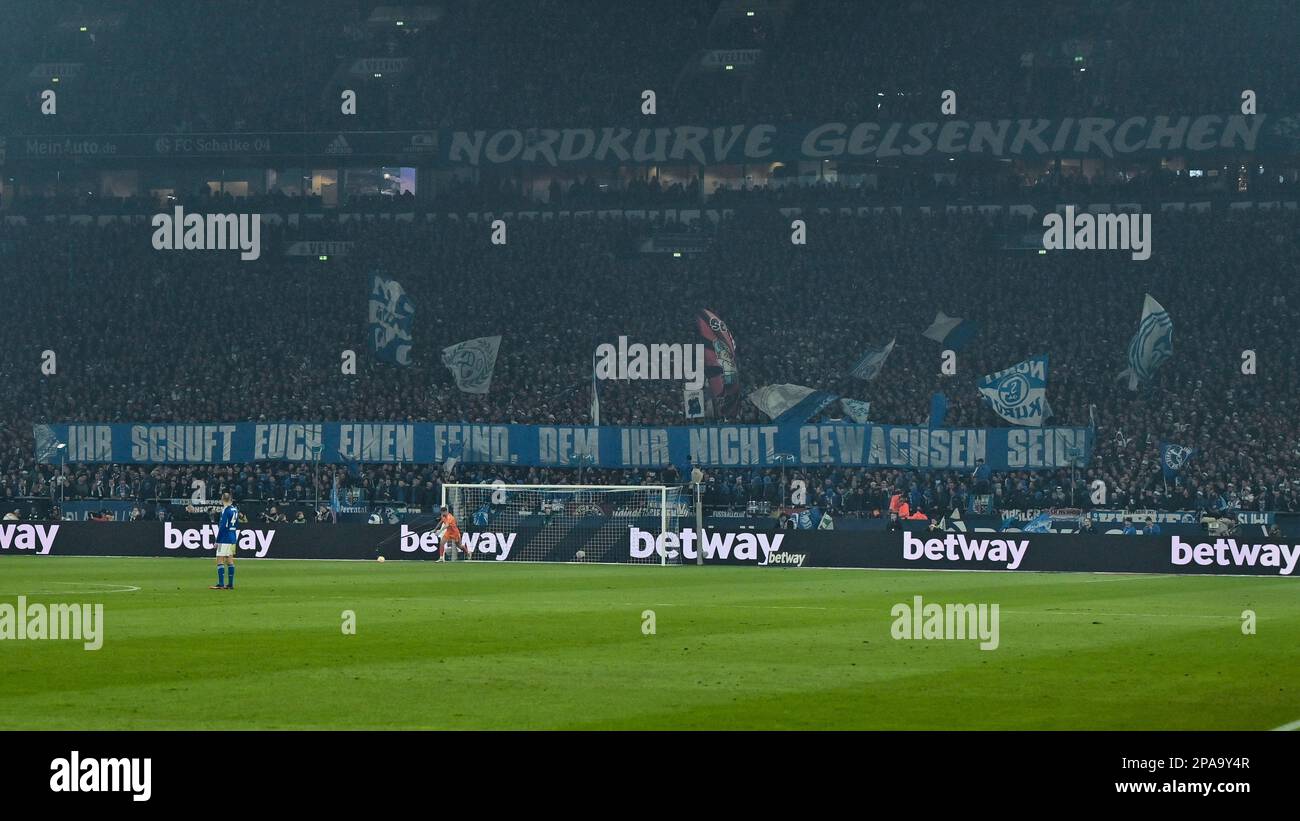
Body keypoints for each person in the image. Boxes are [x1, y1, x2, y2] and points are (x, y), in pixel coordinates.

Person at [211, 492, 238, 589]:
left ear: (222, 499)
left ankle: (221, 584)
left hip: (225, 537)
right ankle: (230, 584)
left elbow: (222, 526)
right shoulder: (235, 509)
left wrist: (217, 540)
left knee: (220, 560)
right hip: (233, 537)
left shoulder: (225, 510)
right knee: (230, 560)